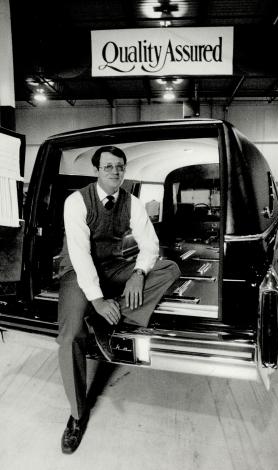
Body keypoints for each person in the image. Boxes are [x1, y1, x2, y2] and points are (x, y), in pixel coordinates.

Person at [56, 145, 180, 454]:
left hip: (113, 266)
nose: (115, 171)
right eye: (109, 167)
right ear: (97, 170)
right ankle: (76, 415)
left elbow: (150, 245)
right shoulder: (76, 202)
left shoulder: (132, 203)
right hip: (77, 269)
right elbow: (81, 256)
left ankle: (107, 320)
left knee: (169, 268)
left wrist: (138, 272)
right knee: (70, 336)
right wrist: (97, 300)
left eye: (120, 167)